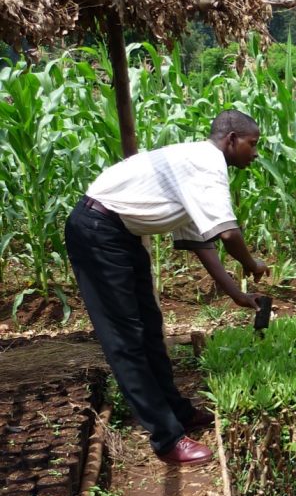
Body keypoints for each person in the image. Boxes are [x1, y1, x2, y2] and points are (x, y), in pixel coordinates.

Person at [65, 109, 269, 465]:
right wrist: (252, 265)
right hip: (98, 232)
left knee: (147, 328)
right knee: (126, 339)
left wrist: (236, 293)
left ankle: (178, 411)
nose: (254, 153)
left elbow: (203, 243)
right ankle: (166, 438)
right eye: (252, 144)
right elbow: (228, 234)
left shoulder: (194, 166)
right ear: (232, 140)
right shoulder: (207, 164)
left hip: (121, 234)